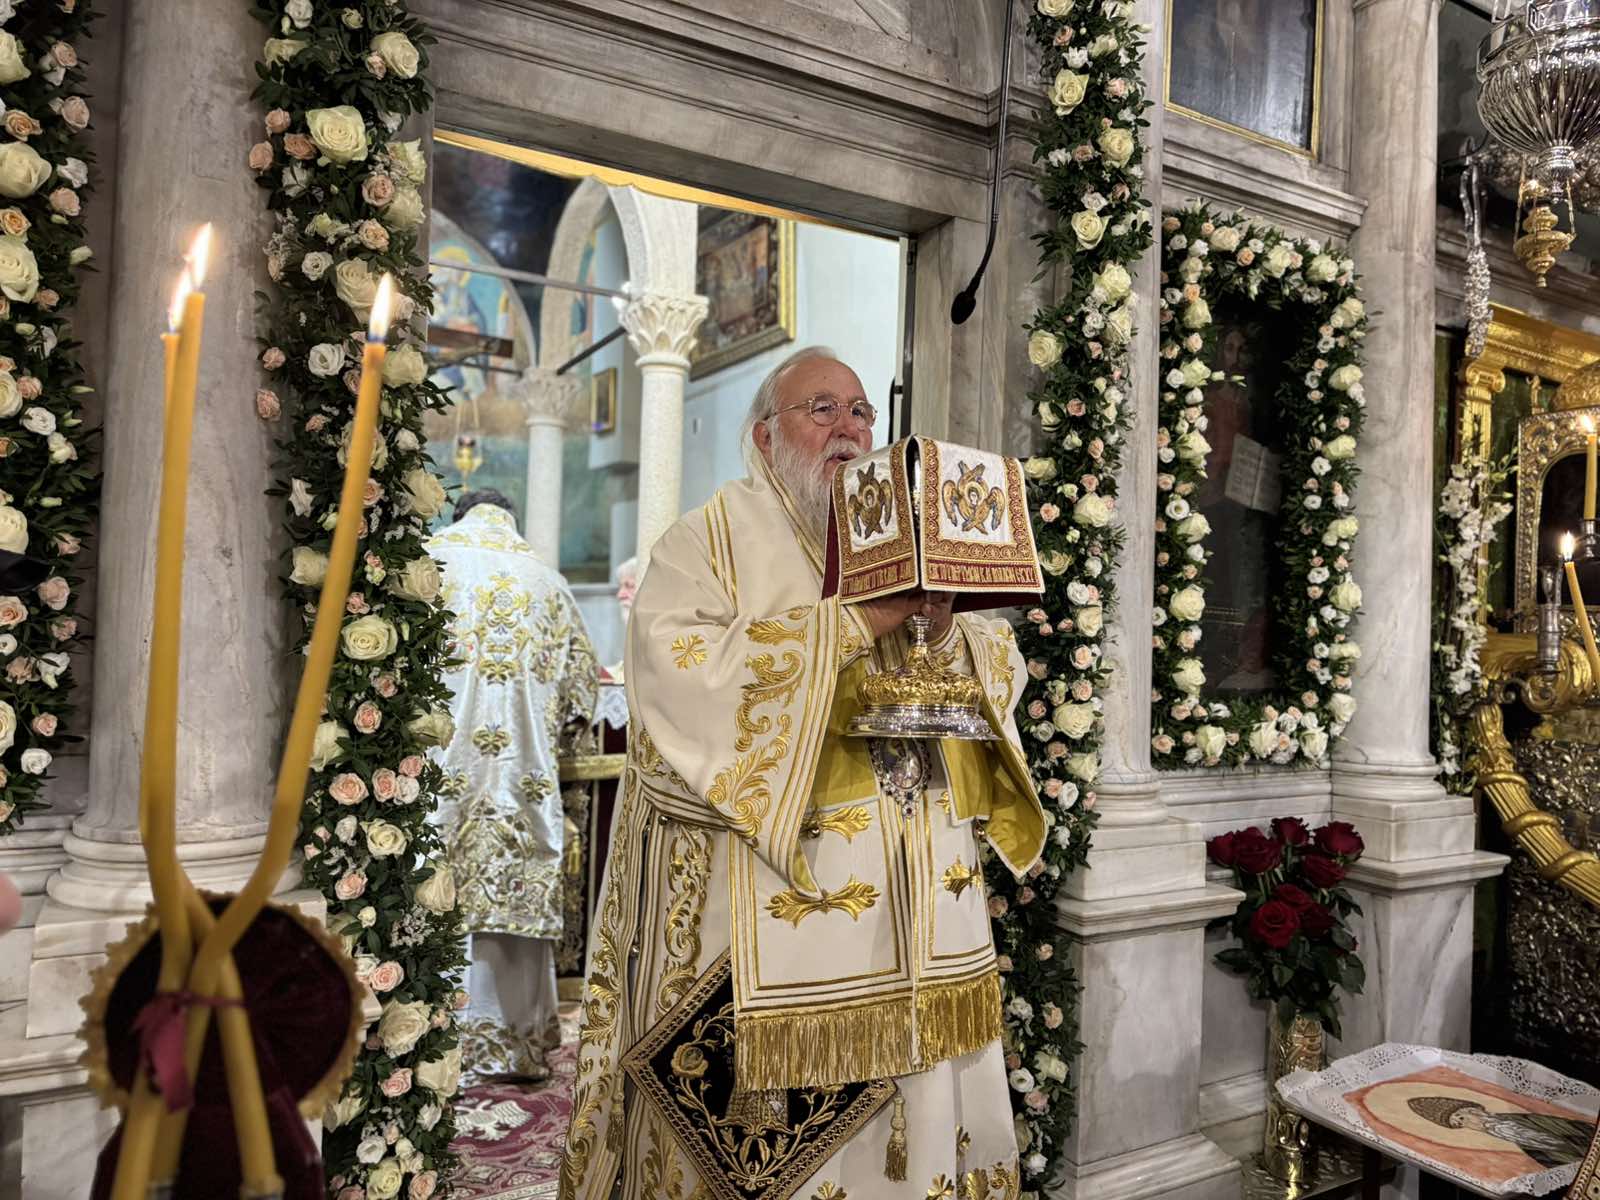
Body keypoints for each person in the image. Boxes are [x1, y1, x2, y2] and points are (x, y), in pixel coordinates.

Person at [561, 347, 1044, 1199]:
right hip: (775, 895)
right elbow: (678, 675)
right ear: (765, 435)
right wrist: (853, 625)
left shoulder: (899, 539)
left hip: (919, 911)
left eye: (860, 412)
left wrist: (941, 625)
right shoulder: (706, 540)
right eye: (822, 409)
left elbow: (993, 670)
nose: (849, 429)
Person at [428, 488, 599, 1082]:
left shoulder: (430, 563)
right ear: (512, 519)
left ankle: (431, 1048)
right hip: (522, 782)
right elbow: (582, 694)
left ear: (459, 516)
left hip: (441, 777)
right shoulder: (548, 581)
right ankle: (513, 1047)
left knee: (432, 894)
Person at [1406, 1096, 1595, 1170]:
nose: (1465, 1124)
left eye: (1461, 1117)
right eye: (1459, 1124)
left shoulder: (1520, 1119)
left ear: (1472, 1110)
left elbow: (1572, 1129)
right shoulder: (1501, 1138)